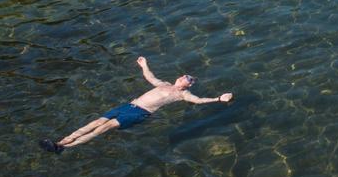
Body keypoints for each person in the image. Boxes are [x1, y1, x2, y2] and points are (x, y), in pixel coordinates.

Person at [39, 56, 233, 153]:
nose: (184, 77)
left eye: (188, 79)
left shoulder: (184, 95)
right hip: (128, 106)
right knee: (96, 122)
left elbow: (199, 101)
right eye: (185, 75)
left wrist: (218, 99)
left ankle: (66, 148)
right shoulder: (164, 84)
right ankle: (60, 143)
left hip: (140, 113)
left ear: (188, 85)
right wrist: (144, 65)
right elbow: (150, 77)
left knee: (104, 128)